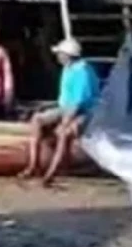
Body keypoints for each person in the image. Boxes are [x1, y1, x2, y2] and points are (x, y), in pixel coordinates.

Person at [19, 38, 101, 187]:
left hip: (86, 111)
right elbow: (64, 100)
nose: (58, 56)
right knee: (37, 119)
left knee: (64, 133)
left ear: (67, 55)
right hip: (66, 107)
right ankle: (34, 165)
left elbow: (78, 103)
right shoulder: (67, 68)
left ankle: (50, 175)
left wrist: (66, 121)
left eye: (60, 54)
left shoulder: (83, 72)